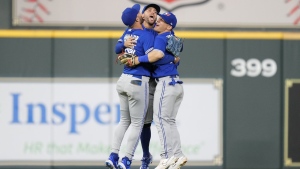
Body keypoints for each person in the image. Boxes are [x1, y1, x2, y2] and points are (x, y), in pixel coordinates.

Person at [115, 4, 177, 169]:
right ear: (141, 16)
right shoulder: (133, 32)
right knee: (140, 122)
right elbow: (119, 51)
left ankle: (144, 156)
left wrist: (174, 57)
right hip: (140, 79)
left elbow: (174, 51)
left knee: (147, 122)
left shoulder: (161, 33)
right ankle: (141, 156)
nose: (153, 12)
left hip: (154, 80)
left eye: (156, 12)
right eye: (149, 10)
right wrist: (123, 47)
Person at [130, 12, 187, 169]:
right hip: (176, 84)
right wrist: (172, 58)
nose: (157, 21)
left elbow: (157, 54)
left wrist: (136, 59)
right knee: (169, 121)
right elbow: (176, 52)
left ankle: (166, 157)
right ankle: (178, 155)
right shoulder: (172, 37)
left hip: (165, 83)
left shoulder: (161, 38)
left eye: (161, 20)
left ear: (169, 26)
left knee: (161, 120)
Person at [105, 4, 155, 169]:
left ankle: (113, 155)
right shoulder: (145, 35)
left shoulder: (128, 33)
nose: (141, 13)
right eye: (139, 12)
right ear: (136, 18)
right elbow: (153, 57)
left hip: (123, 79)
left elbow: (116, 49)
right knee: (137, 123)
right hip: (137, 80)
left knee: (124, 121)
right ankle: (126, 159)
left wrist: (124, 45)